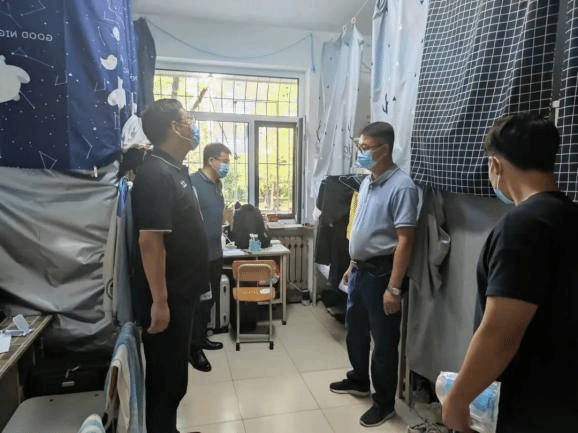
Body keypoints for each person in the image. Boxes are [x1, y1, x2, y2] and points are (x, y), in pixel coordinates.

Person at [442, 113, 578, 433]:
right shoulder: (569, 215)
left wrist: (457, 400)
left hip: (531, 404)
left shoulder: (522, 226)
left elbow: (501, 332)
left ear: (496, 165)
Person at [329, 122, 419, 427]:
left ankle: (384, 403)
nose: (361, 152)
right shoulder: (368, 182)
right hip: (359, 271)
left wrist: (393, 289)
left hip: (382, 274)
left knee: (383, 341)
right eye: (360, 146)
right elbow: (362, 227)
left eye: (365, 147)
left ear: (383, 150)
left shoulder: (402, 187)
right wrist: (351, 265)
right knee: (354, 331)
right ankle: (358, 379)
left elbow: (405, 241)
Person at [131, 98, 208, 433]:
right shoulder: (155, 174)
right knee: (164, 381)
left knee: (175, 379)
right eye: (188, 119)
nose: (193, 124)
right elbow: (150, 241)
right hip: (168, 298)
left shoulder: (174, 169)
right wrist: (160, 302)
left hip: (181, 295)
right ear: (175, 128)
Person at [188, 142, 231, 372]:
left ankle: (202, 337)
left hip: (216, 253)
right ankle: (193, 349)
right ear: (210, 160)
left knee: (209, 300)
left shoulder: (217, 185)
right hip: (198, 256)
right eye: (224, 161)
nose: (226, 166)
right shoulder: (193, 183)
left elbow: (216, 217)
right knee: (197, 303)